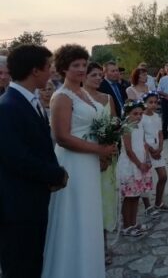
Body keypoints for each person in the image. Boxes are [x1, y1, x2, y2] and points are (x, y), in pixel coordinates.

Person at [43, 44, 117, 278]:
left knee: (89, 215)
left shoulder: (84, 93)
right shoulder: (61, 96)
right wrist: (99, 149)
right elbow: (62, 137)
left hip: (89, 162)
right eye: (76, 65)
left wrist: (105, 148)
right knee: (74, 215)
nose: (81, 69)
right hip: (73, 163)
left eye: (84, 64)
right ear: (64, 68)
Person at [0, 45, 68, 278]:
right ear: (35, 70)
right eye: (48, 66)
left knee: (34, 261)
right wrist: (55, 174)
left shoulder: (29, 100)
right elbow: (17, 157)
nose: (51, 71)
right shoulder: (7, 107)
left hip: (33, 199)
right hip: (17, 206)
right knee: (20, 266)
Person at [83, 62, 118, 265]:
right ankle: (90, 244)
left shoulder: (107, 98)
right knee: (90, 201)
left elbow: (114, 124)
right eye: (93, 75)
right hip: (87, 156)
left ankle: (103, 245)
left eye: (99, 75)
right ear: (84, 77)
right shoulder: (78, 99)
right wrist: (97, 154)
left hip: (107, 155)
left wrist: (109, 151)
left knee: (104, 199)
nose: (98, 78)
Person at [117, 101, 153, 237]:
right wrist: (139, 164)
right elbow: (129, 150)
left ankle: (133, 222)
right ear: (127, 114)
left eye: (140, 114)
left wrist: (147, 159)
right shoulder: (126, 128)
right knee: (129, 197)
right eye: (135, 114)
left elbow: (144, 144)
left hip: (141, 163)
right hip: (130, 165)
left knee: (136, 195)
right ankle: (127, 225)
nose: (138, 116)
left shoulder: (140, 126)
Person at [140, 91, 168, 214]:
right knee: (146, 178)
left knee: (163, 176)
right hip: (145, 150)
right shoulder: (141, 117)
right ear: (145, 103)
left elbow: (160, 133)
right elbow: (141, 136)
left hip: (157, 149)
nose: (153, 104)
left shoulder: (156, 116)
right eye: (150, 102)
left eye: (155, 102)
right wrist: (150, 150)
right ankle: (147, 206)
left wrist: (160, 148)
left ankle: (158, 202)